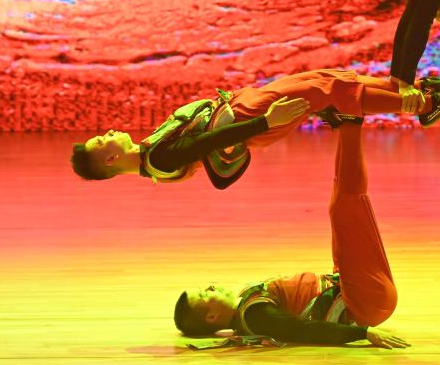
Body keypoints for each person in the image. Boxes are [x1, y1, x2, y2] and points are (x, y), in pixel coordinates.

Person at [174, 121, 408, 348]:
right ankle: (350, 123)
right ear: (212, 317)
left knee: (341, 203)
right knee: (345, 208)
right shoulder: (256, 315)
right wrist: (363, 333)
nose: (211, 287)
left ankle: (345, 125)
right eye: (204, 295)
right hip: (362, 301)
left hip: (353, 291)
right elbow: (301, 330)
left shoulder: (247, 305)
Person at [70, 68, 440, 189]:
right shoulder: (158, 159)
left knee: (329, 79)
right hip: (249, 118)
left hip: (244, 109)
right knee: (328, 88)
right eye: (102, 141)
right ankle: (424, 104)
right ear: (110, 159)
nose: (108, 133)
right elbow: (212, 139)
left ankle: (417, 92)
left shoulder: (150, 152)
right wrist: (266, 120)